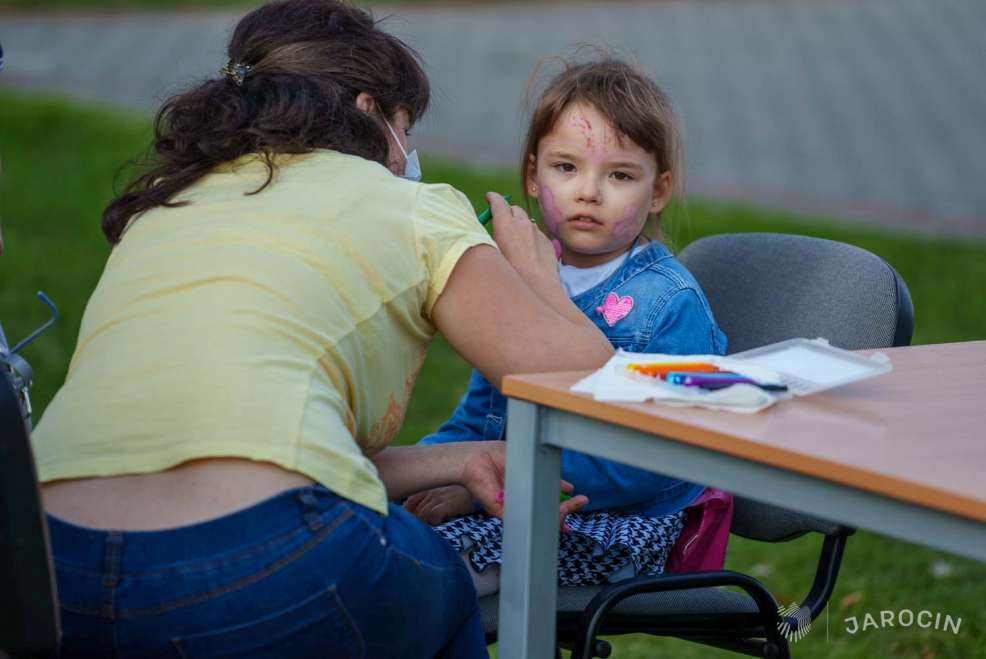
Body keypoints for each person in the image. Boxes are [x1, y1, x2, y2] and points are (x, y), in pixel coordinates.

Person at [29, 2, 611, 657]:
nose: (410, 153)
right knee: (440, 584)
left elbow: (246, 445)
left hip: (46, 570)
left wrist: (458, 460)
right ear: (370, 111)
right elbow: (585, 380)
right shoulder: (411, 206)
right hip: (258, 565)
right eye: (407, 129)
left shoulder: (166, 202)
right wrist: (539, 274)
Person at [404, 57, 728, 595]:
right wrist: (422, 470)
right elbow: (482, 419)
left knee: (423, 577)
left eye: (620, 175)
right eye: (566, 168)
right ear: (533, 176)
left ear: (660, 189)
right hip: (513, 496)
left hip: (623, 525)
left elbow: (653, 459)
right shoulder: (513, 278)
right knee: (379, 534)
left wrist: (483, 487)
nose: (588, 192)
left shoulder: (670, 303)